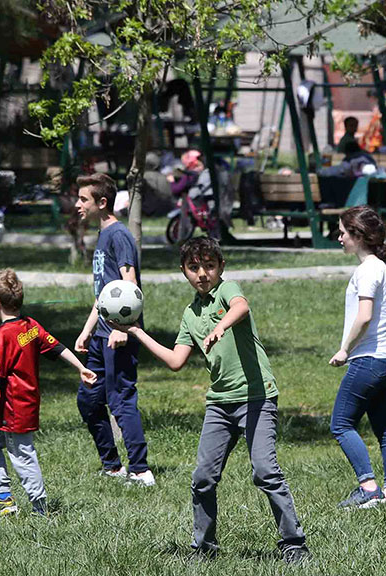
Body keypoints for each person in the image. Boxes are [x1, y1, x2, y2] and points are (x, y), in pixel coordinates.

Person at [116, 237, 310, 563]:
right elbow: (176, 360)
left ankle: (294, 544)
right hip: (219, 404)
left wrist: (220, 327)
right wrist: (137, 331)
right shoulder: (190, 314)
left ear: (221, 267)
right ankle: (204, 548)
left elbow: (241, 306)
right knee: (202, 478)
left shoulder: (227, 290)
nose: (202, 273)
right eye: (194, 268)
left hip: (256, 397)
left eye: (209, 266)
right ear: (184, 272)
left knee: (265, 471)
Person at [0, 269, 98, 517]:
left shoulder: (2, 336)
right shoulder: (30, 326)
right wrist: (80, 367)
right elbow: (57, 347)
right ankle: (4, 499)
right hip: (12, 406)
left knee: (22, 456)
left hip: (15, 408)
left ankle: (40, 507)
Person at [72, 173, 154, 486]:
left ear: (102, 202)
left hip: (118, 335)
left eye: (84, 199)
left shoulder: (119, 236)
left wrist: (124, 328)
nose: (78, 205)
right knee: (89, 400)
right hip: (101, 334)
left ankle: (140, 471)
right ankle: (113, 467)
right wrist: (87, 329)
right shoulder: (103, 236)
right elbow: (106, 294)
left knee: (120, 399)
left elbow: (129, 287)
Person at [327, 206, 386, 508]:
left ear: (358, 236)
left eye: (343, 233)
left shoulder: (368, 270)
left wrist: (345, 349)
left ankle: (368, 487)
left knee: (341, 424)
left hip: (370, 360)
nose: (339, 238)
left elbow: (364, 317)